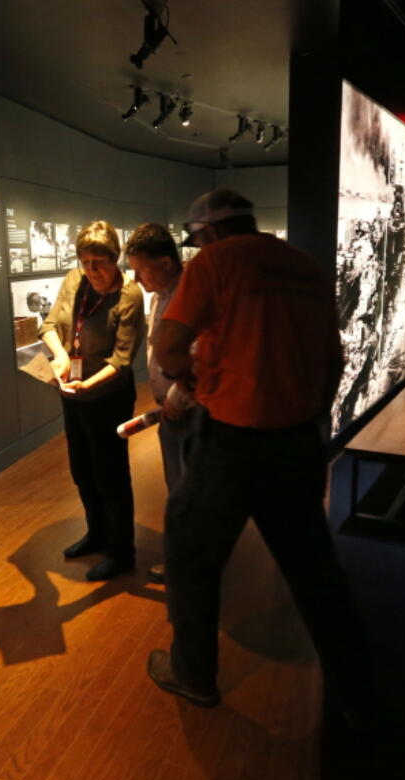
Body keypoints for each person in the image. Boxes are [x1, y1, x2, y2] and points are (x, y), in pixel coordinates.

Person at [146, 189, 372, 717]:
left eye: (198, 240)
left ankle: (194, 675)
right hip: (296, 441)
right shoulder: (304, 266)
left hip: (232, 442)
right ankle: (356, 682)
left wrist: (192, 380)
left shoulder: (215, 262)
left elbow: (168, 347)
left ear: (210, 234)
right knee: (313, 567)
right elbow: (334, 361)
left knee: (190, 554)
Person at [40, 220, 145, 581]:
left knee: (111, 474)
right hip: (74, 389)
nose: (91, 270)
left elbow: (122, 360)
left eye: (99, 262)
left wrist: (89, 386)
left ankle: (122, 551)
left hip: (109, 396)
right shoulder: (74, 280)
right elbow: (50, 325)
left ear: (115, 259)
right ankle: (97, 534)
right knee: (82, 469)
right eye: (85, 262)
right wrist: (61, 357)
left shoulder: (129, 295)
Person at [124, 223, 194, 584]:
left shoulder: (191, 298)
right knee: (178, 489)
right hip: (171, 411)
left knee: (188, 494)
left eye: (141, 268)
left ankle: (189, 569)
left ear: (166, 262)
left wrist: (177, 398)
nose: (136, 278)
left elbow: (198, 358)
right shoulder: (159, 296)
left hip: (190, 412)